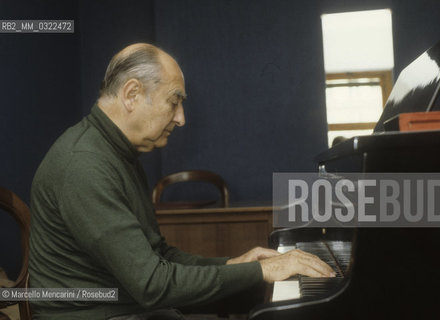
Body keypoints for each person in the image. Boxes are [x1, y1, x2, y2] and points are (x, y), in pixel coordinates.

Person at [28, 43, 335, 320]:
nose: (181, 118)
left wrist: (232, 265)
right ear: (132, 94)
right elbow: (152, 285)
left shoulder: (116, 152)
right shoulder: (85, 164)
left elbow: (159, 254)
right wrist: (260, 271)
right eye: (173, 102)